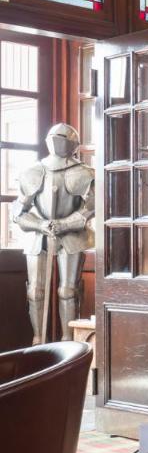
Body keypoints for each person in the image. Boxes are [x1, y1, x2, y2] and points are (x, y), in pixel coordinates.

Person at [12, 122, 95, 341]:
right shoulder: (33, 171)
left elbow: (91, 209)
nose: (58, 141)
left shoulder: (84, 173)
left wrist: (65, 224)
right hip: (38, 236)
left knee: (68, 291)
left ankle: (68, 341)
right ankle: (38, 340)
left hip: (72, 236)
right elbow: (19, 212)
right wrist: (40, 224)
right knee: (35, 292)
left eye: (63, 138)